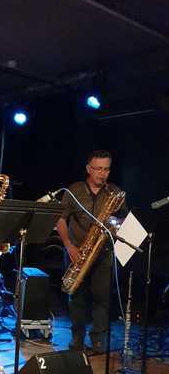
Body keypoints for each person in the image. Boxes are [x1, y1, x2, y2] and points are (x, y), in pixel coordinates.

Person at [56, 150, 125, 353]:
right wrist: (68, 245)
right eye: (98, 169)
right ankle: (77, 339)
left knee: (102, 298)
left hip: (103, 252)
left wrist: (116, 223)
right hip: (77, 251)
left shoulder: (114, 192)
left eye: (106, 169)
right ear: (88, 169)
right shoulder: (74, 190)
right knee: (76, 297)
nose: (102, 174)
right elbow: (60, 219)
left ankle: (98, 341)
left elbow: (124, 220)